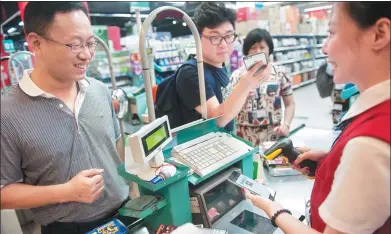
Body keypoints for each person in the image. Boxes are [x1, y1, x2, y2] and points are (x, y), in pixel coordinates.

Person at [244, 2, 390, 233]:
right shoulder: (377, 119)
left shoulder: (370, 145)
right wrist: (332, 162)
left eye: (332, 32)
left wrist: (275, 210)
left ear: (379, 34)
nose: (324, 49)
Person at [1, 2, 131, 233]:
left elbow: (115, 146)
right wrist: (67, 192)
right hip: (67, 227)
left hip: (125, 212)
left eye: (90, 43)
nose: (86, 54)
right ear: (36, 43)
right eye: (74, 44)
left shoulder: (99, 90)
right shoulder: (8, 113)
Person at [176, 3, 271, 132]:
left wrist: (243, 91)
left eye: (228, 36)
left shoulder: (220, 66)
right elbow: (218, 119)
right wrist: (245, 84)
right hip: (202, 149)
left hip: (223, 145)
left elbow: (226, 105)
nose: (224, 44)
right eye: (215, 37)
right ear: (198, 38)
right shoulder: (190, 73)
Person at [226, 29, 295, 146]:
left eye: (262, 47)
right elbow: (227, 107)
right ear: (247, 51)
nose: (258, 51)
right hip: (244, 137)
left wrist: (286, 125)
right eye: (253, 47)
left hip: (273, 136)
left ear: (269, 49)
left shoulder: (280, 73)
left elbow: (290, 104)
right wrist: (241, 93)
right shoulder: (237, 76)